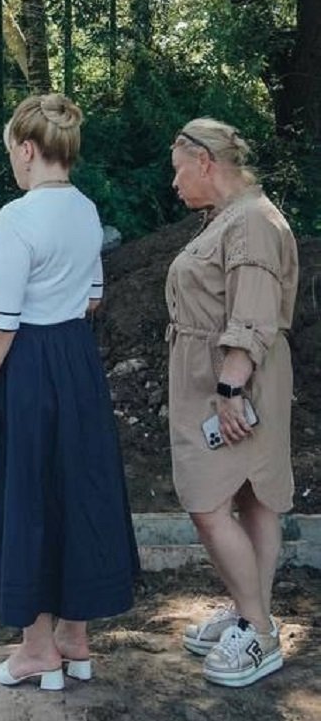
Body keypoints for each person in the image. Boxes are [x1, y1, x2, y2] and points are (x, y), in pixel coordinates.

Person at [0, 94, 138, 691]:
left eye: (13, 150)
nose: (13, 162)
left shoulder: (17, 217)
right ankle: (75, 639)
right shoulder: (87, 210)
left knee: (26, 496)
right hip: (77, 363)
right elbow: (93, 293)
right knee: (76, 490)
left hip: (30, 364)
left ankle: (37, 649)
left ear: (29, 149)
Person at [165, 119, 297, 688]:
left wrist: (230, 389)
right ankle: (250, 614)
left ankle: (260, 632)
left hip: (234, 378)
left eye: (177, 169)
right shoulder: (231, 218)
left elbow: (253, 313)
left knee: (208, 502)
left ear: (203, 161)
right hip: (217, 375)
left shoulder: (252, 223)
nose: (174, 183)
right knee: (247, 495)